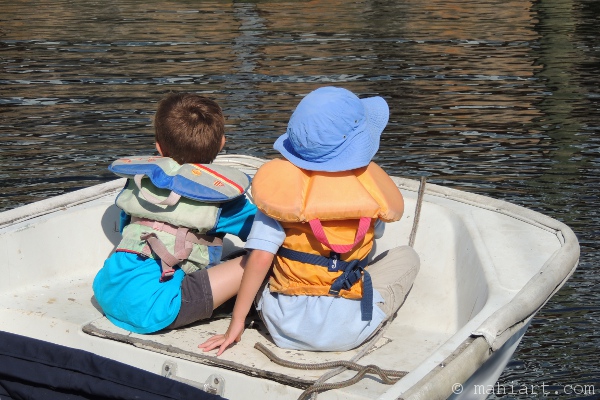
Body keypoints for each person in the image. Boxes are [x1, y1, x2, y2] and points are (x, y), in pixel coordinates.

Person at [199, 86, 419, 355]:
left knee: (254, 255)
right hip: (348, 329)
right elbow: (372, 242)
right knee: (407, 256)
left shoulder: (282, 195)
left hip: (282, 326)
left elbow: (260, 260)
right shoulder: (371, 195)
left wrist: (237, 322)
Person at [93, 93, 256, 334]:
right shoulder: (223, 199)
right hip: (158, 308)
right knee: (260, 259)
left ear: (158, 146)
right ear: (222, 142)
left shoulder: (138, 185)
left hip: (108, 290)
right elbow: (267, 237)